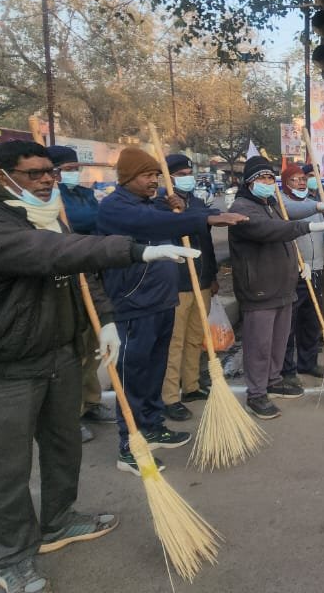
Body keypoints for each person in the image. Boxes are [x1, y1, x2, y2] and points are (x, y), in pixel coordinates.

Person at [0, 140, 199, 593]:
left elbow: (82, 276)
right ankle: (14, 557)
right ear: (2, 176)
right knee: (9, 467)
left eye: (50, 171)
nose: (47, 180)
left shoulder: (51, 218)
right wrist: (139, 252)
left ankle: (59, 521)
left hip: (60, 356)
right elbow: (57, 256)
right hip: (5, 367)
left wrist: (104, 322)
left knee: (64, 446)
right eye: (35, 174)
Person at [95, 147, 246, 473]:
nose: (154, 182)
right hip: (132, 303)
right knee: (132, 374)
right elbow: (152, 223)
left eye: (155, 175)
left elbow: (166, 207)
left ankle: (151, 426)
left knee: (154, 371)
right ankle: (129, 443)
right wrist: (203, 217)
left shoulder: (154, 200)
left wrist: (181, 204)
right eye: (147, 176)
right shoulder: (114, 208)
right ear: (127, 178)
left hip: (162, 299)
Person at [227, 156, 324, 419]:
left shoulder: (271, 204)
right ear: (249, 182)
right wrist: (307, 226)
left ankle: (274, 381)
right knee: (260, 344)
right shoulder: (242, 208)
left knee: (278, 340)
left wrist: (318, 206)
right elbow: (269, 230)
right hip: (259, 288)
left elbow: (291, 214)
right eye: (261, 178)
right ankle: (256, 393)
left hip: (282, 286)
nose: (267, 182)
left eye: (269, 177)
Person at [46, 145, 111, 444]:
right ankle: (70, 414)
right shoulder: (48, 201)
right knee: (74, 352)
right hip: (65, 278)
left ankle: (92, 402)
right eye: (67, 169)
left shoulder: (84, 195)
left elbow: (99, 226)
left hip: (91, 272)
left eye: (75, 168)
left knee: (94, 345)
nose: (74, 173)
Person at [154, 154, 219, 424]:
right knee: (175, 342)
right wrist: (177, 211)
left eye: (188, 172)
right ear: (167, 178)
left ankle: (191, 385)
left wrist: (213, 275)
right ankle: (170, 396)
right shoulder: (160, 205)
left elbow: (207, 237)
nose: (186, 177)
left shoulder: (196, 203)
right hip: (178, 284)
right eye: (179, 174)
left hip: (201, 281)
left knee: (195, 337)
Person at [280, 163, 324, 381]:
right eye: (295, 179)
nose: (302, 182)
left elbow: (321, 231)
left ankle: (308, 362)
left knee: (311, 319)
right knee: (289, 323)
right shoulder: (282, 203)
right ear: (286, 184)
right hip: (295, 270)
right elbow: (295, 213)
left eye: (303, 179)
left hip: (315, 269)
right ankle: (286, 368)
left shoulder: (313, 204)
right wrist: (319, 207)